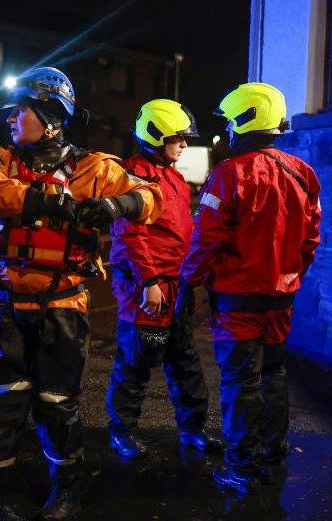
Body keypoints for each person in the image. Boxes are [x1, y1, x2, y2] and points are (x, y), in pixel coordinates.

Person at [0, 66, 162, 521]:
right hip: (6, 308)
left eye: (22, 111)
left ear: (52, 116)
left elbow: (151, 198)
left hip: (62, 309)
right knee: (2, 404)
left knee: (59, 405)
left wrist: (118, 206)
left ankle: (67, 487)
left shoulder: (93, 168)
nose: (13, 119)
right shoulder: (3, 162)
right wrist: (47, 202)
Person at [181, 82, 321, 492]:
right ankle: (272, 451)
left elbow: (206, 239)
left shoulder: (229, 174)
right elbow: (311, 239)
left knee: (241, 380)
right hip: (282, 298)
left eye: (229, 122)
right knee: (274, 374)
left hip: (238, 299)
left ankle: (241, 465)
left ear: (246, 119)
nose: (226, 131)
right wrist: (291, 275)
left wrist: (188, 285)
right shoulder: (303, 173)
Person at [105, 99, 222, 458]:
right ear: (155, 136)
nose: (185, 144)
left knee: (184, 361)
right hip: (147, 287)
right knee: (135, 363)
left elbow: (180, 231)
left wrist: (188, 277)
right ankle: (121, 432)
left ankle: (193, 429)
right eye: (178, 138)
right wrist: (149, 281)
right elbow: (131, 234)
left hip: (174, 284)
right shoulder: (133, 177)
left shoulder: (173, 178)